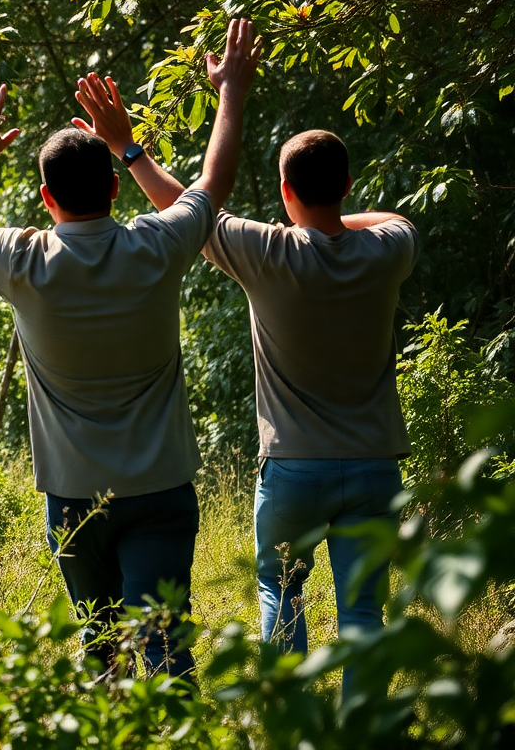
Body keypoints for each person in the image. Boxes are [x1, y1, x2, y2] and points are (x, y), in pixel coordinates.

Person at [0, 19, 261, 680]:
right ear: (111, 190)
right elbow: (214, 181)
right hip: (160, 486)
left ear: (46, 200)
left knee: (102, 653)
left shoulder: (23, 260)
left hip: (73, 496)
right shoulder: (157, 247)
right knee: (162, 649)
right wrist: (223, 95)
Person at [75, 75, 416, 693]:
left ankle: (290, 718)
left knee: (280, 595)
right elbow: (394, 218)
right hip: (373, 467)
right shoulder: (389, 250)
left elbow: (187, 206)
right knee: (365, 610)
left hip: (292, 470)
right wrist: (337, 219)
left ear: (285, 191)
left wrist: (128, 150)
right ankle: (364, 727)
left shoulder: (267, 252)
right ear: (344, 185)